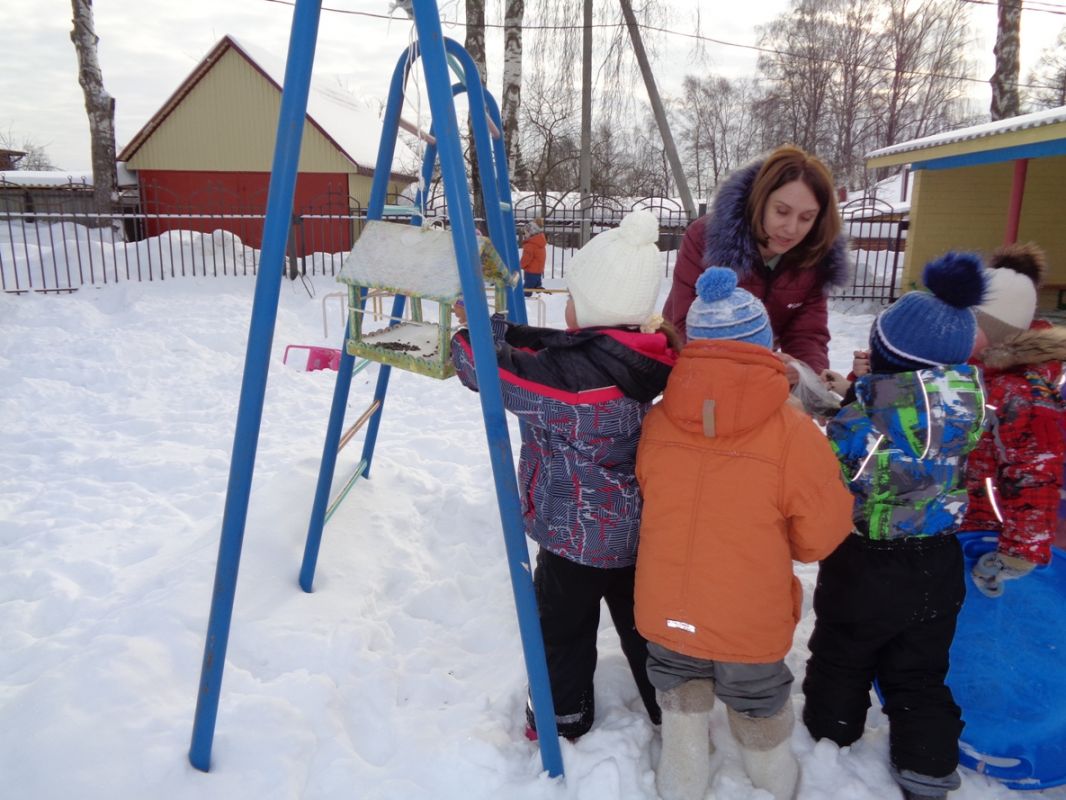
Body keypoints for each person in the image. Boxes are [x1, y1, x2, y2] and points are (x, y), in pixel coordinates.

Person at [450, 209, 681, 739]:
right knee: (642, 627)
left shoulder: (573, 386)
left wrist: (468, 333)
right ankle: (672, 712)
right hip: (634, 532)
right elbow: (550, 347)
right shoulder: (637, 353)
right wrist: (501, 327)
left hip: (574, 539)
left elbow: (490, 371)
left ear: (593, 308)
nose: (566, 308)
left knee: (562, 629)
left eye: (573, 298)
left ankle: (563, 715)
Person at [634, 266, 854, 800]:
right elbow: (821, 535)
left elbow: (650, 492)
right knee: (757, 698)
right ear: (764, 350)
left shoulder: (658, 421)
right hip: (749, 617)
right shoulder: (794, 434)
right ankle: (772, 779)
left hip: (666, 606)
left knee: (678, 685)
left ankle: (682, 771)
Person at [802, 253, 990, 800]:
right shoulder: (970, 407)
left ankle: (831, 730)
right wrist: (855, 394)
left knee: (842, 651)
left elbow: (845, 465)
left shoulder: (861, 423)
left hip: (868, 562)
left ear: (887, 357)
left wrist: (837, 409)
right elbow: (913, 427)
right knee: (921, 670)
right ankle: (928, 766)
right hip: (939, 562)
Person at [662, 144, 850, 377]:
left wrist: (804, 374)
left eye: (806, 218)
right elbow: (685, 326)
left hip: (762, 372)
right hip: (694, 367)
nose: (792, 229)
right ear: (759, 200)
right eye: (781, 211)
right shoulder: (705, 238)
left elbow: (807, 335)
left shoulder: (816, 257)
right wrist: (756, 367)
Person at [959, 243, 1066, 596]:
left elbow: (1036, 472)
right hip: (959, 519)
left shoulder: (1024, 396)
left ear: (998, 330)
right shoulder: (974, 369)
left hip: (992, 531)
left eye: (971, 322)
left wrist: (1020, 551)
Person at [519, 217, 547, 295]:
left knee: (526, 291)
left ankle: (526, 303)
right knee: (537, 289)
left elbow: (527, 258)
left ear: (531, 232)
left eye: (526, 232)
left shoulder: (530, 244)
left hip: (530, 272)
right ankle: (541, 296)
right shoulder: (540, 243)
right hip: (538, 272)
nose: (525, 235)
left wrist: (519, 265)